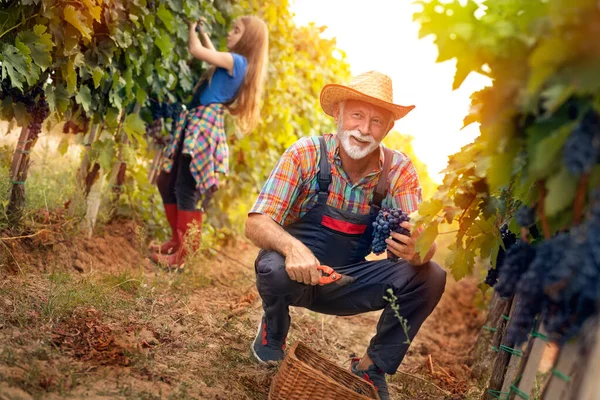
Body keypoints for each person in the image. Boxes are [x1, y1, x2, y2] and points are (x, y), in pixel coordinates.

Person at [244, 71, 446, 400]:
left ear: (388, 129)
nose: (364, 129)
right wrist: (294, 249)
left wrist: (420, 250)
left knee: (431, 275)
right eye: (356, 115)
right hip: (297, 275)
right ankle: (274, 329)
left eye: (376, 121)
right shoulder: (305, 155)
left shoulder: (398, 171)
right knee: (273, 267)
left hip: (347, 281)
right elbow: (256, 222)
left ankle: (371, 367)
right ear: (338, 115)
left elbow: (421, 240)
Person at [151, 15, 269, 268]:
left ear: (247, 39)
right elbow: (212, 52)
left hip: (202, 125)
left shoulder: (237, 61)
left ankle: (183, 256)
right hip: (196, 122)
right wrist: (204, 32)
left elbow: (196, 51)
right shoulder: (234, 64)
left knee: (185, 187)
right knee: (168, 180)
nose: (229, 34)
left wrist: (192, 28)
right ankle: (176, 241)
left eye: (236, 31)